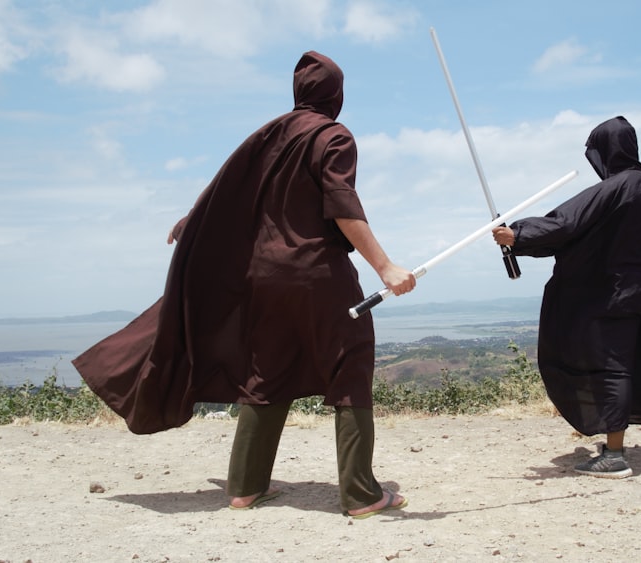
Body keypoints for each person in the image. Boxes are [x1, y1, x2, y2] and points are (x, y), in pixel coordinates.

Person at [74, 51, 415, 517]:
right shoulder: (334, 135)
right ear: (335, 95)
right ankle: (361, 494)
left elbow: (233, 188)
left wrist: (194, 220)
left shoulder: (269, 133)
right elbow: (341, 203)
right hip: (316, 273)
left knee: (267, 371)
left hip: (263, 279)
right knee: (350, 363)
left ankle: (246, 488)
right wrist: (386, 267)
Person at [491, 115, 641, 479]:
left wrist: (518, 235)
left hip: (619, 297)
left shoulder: (611, 190)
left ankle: (614, 454)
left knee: (615, 368)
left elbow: (565, 224)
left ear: (606, 151)